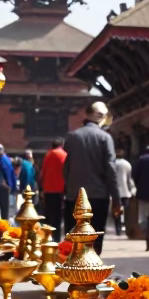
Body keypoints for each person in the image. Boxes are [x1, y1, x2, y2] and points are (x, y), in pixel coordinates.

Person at [63, 102, 122, 253]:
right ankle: (92, 273)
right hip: (97, 196)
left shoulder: (72, 137)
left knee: (73, 240)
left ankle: (71, 272)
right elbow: (110, 170)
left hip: (74, 196)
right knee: (94, 242)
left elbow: (66, 168)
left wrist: (67, 189)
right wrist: (116, 199)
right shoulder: (105, 138)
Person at [38, 137, 67, 239]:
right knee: (58, 217)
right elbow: (66, 172)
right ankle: (57, 238)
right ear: (61, 145)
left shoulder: (48, 155)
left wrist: (41, 189)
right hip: (60, 189)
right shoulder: (64, 155)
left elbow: (42, 173)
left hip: (48, 190)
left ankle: (48, 237)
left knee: (49, 216)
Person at [113, 151, 135, 236]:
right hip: (125, 192)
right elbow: (129, 179)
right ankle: (125, 227)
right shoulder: (127, 164)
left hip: (115, 192)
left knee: (116, 211)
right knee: (126, 211)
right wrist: (132, 189)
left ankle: (117, 228)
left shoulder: (112, 164)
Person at [0, 143, 16, 219]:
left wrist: (9, 184)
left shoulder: (3, 159)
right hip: (1, 185)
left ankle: (3, 225)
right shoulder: (4, 159)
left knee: (2, 208)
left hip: (2, 186)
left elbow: (7, 172)